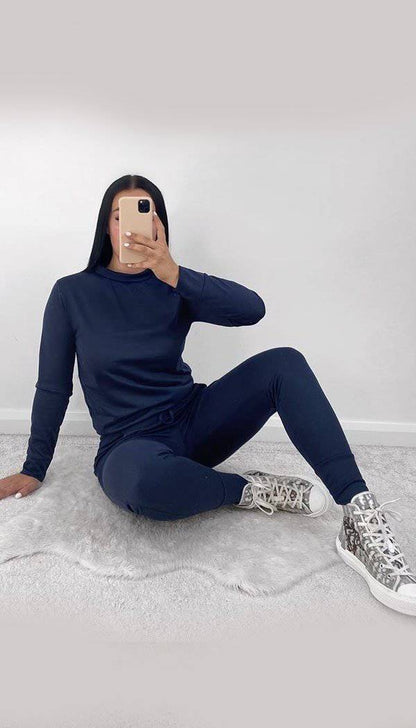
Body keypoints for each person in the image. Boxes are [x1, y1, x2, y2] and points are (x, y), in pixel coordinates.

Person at [1, 174, 415, 617]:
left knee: (284, 363)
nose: (131, 226)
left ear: (158, 225)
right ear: (106, 225)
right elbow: (53, 386)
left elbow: (253, 309)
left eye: (144, 214)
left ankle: (359, 515)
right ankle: (247, 489)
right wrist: (34, 467)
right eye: (120, 216)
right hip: (129, 444)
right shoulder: (72, 293)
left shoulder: (173, 283)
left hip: (195, 420)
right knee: (143, 485)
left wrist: (174, 273)